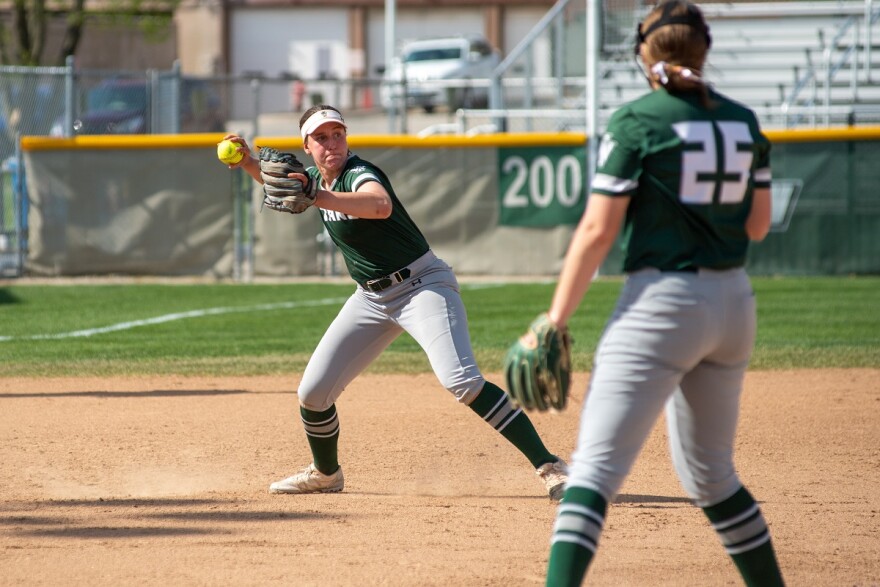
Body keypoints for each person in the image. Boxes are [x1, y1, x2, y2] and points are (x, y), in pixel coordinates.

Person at [534, 2, 785, 585]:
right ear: (705, 47)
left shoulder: (637, 121)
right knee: (713, 478)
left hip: (663, 303)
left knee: (593, 472)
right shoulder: (745, 121)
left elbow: (597, 232)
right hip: (734, 304)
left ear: (643, 54)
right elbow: (756, 227)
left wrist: (554, 319)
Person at [221, 104, 569, 499]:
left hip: (422, 285)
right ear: (307, 145)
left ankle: (550, 467)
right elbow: (278, 181)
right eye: (321, 137)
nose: (332, 143)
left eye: (338, 134)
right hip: (370, 298)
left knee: (461, 380)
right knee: (313, 394)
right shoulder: (314, 179)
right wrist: (249, 160)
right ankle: (326, 473)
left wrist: (318, 195)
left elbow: (378, 205)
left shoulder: (358, 173)